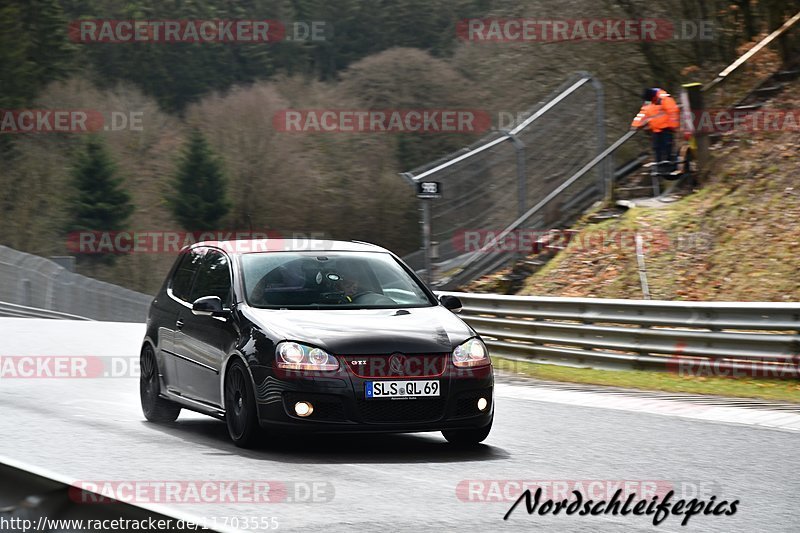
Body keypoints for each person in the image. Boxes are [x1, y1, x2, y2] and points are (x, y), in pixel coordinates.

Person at [631, 87, 680, 171]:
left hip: (666, 128)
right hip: (656, 130)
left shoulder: (664, 98)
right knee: (656, 147)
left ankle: (670, 165)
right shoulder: (649, 101)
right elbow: (642, 113)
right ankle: (659, 165)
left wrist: (673, 126)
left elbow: (673, 111)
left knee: (667, 146)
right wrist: (635, 125)